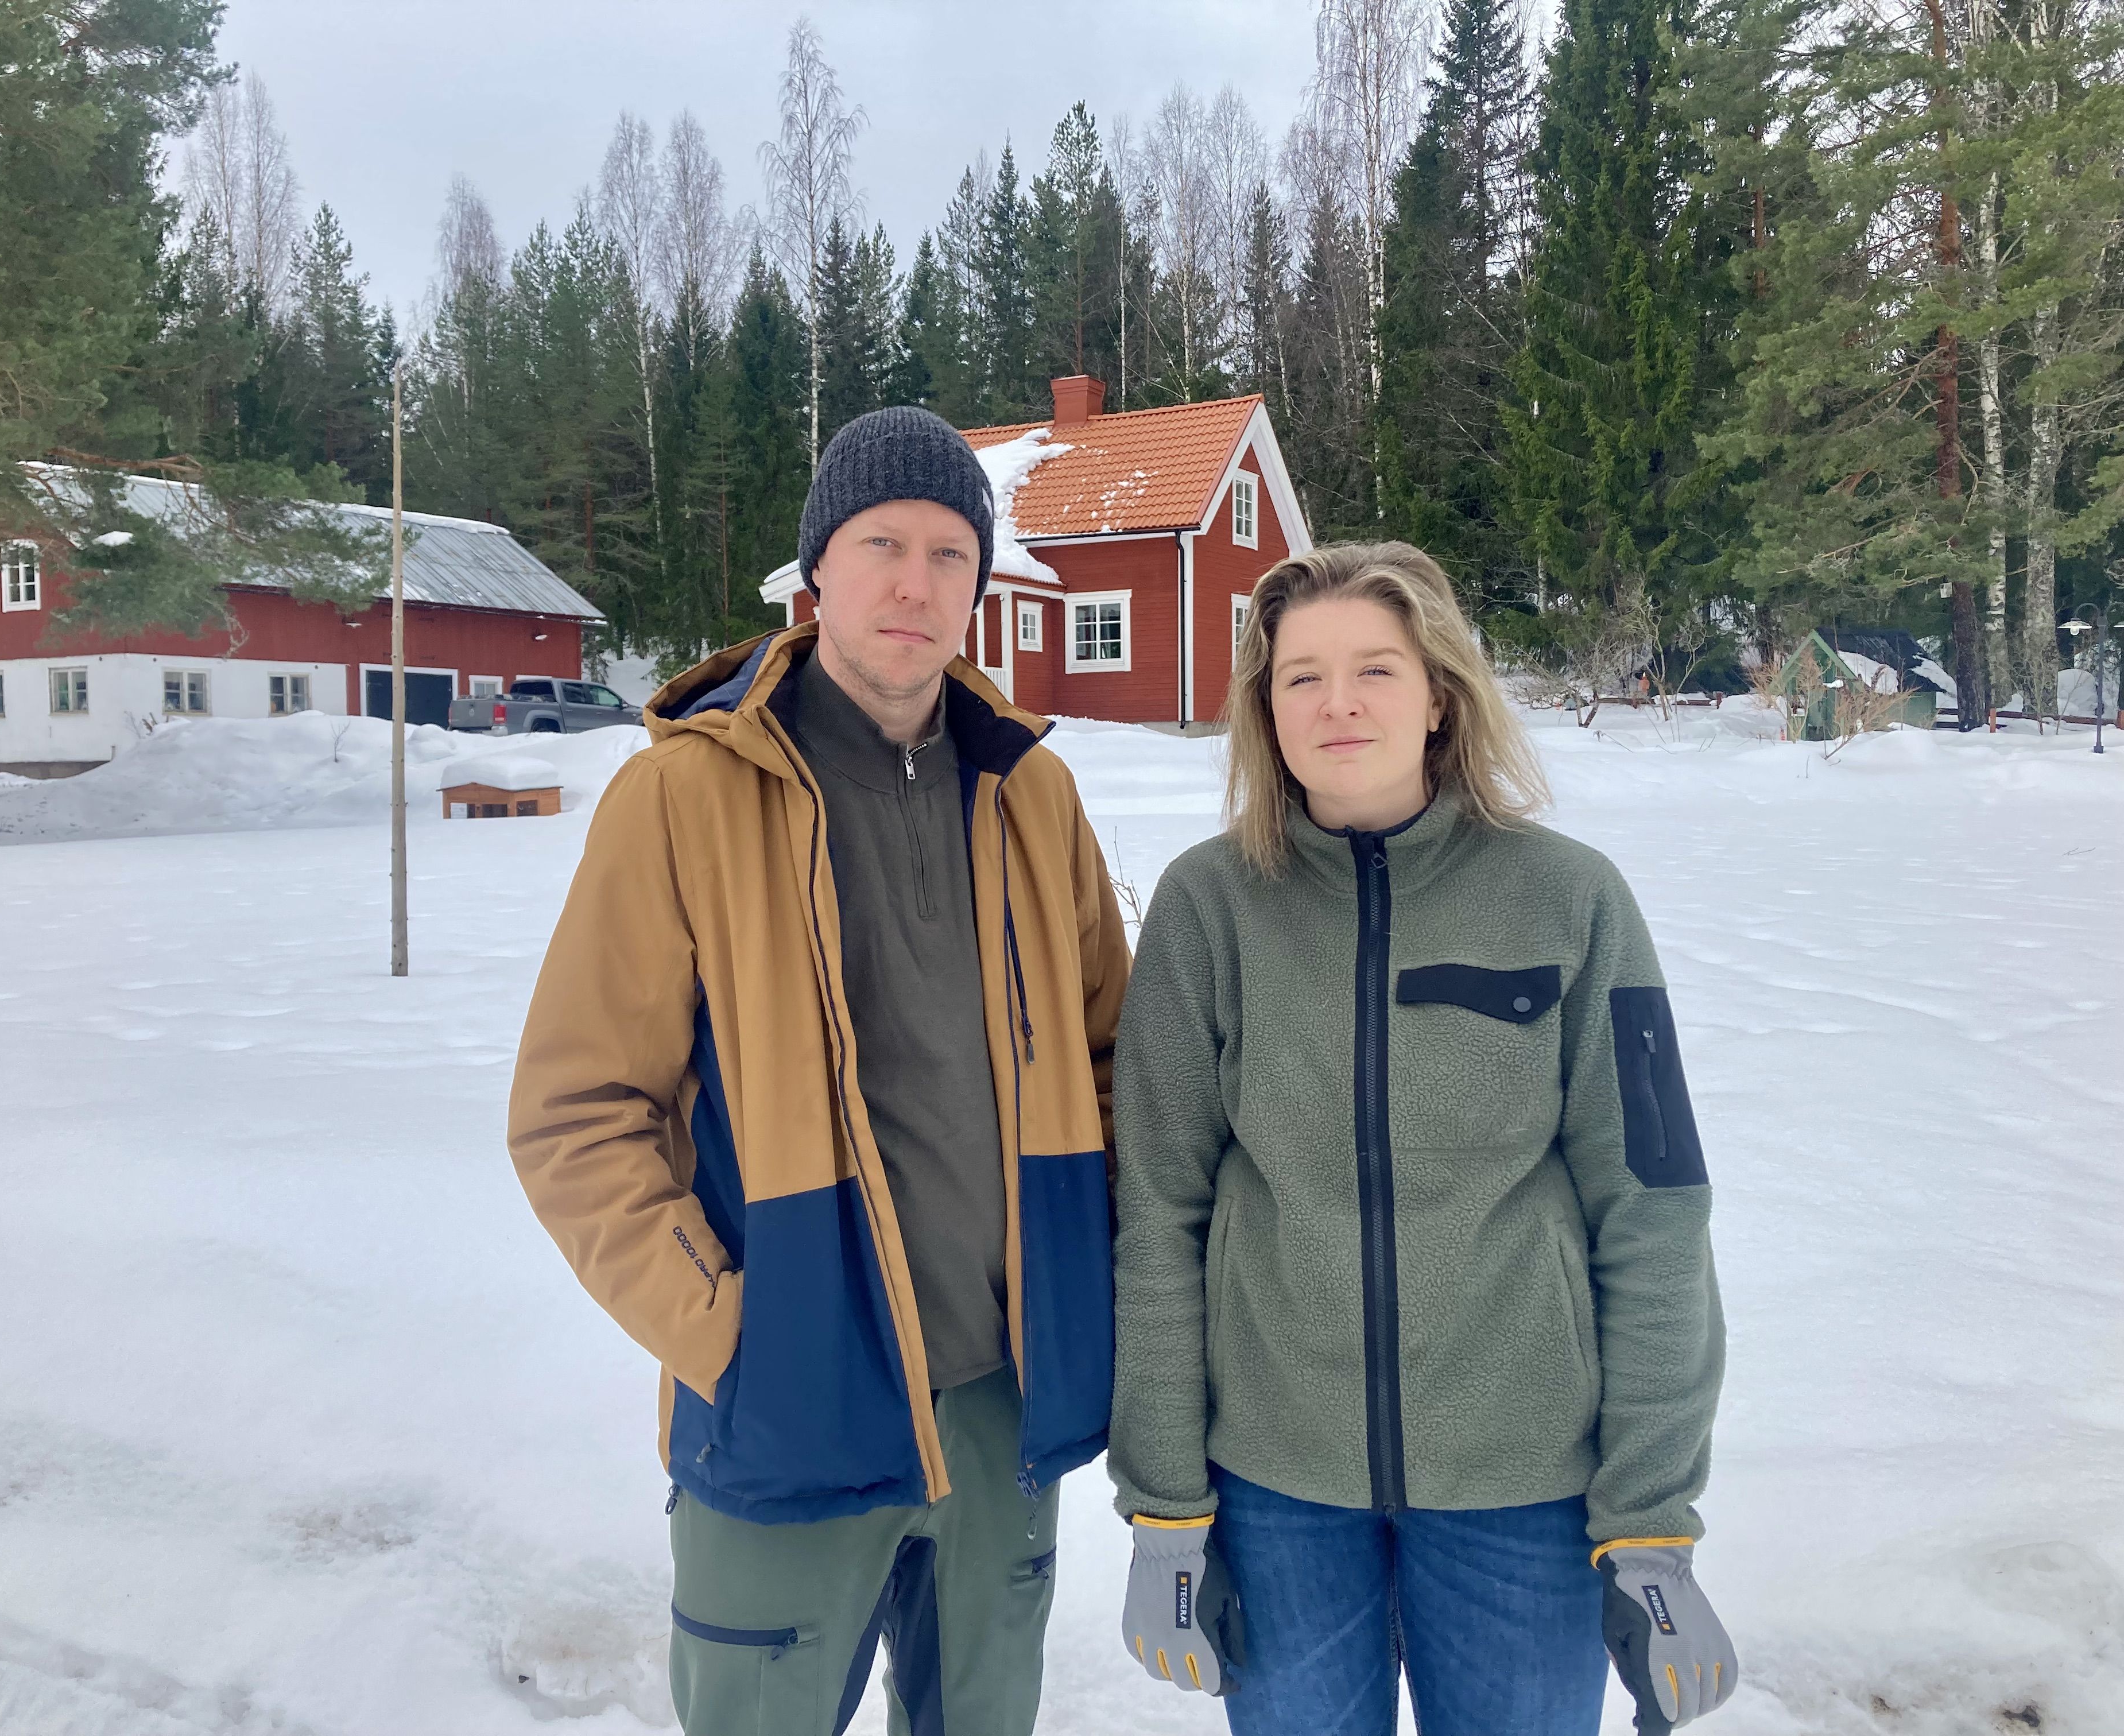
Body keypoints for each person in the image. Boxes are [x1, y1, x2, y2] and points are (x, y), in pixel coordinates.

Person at [508, 405, 1130, 1736]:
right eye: (882, 544)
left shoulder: (1030, 795)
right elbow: (576, 1115)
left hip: (1003, 1406)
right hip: (791, 1407)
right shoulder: (686, 796)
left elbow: (1109, 1059)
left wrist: (1097, 1286)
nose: (917, 582)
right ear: (816, 574)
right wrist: (731, 1336)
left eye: (951, 554)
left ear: (981, 583)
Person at [1108, 541, 1737, 1735]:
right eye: (1301, 677)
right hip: (1278, 1492)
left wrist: (1650, 1520)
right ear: (1265, 709)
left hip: (1526, 1494)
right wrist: (1166, 1507)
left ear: (1440, 694)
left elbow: (1655, 1206)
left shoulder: (1573, 899)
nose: (1337, 703)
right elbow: (1158, 1216)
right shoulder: (1208, 909)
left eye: (1375, 670)